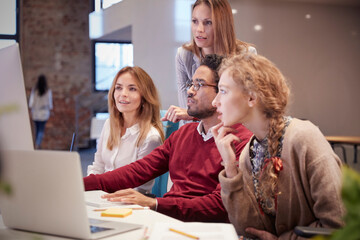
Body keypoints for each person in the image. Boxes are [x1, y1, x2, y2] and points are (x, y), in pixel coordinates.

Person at [84, 55, 253, 222]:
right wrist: (78, 184)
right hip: (167, 220)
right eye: (191, 84)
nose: (190, 90)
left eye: (199, 85)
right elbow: (137, 171)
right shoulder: (184, 134)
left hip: (202, 228)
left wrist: (156, 204)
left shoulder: (241, 142)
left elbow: (220, 205)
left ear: (222, 92)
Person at [211, 53, 344, 239]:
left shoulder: (304, 137)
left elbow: (340, 226)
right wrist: (230, 167)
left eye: (223, 91)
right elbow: (247, 228)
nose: (214, 101)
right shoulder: (248, 153)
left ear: (251, 98)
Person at [162, 0, 257, 126]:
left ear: (222, 24)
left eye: (208, 23)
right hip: (196, 131)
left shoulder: (246, 55)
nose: (199, 30)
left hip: (234, 131)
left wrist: (193, 115)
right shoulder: (184, 55)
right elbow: (187, 111)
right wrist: (191, 115)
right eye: (195, 21)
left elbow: (247, 109)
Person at [87, 66, 165, 195]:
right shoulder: (109, 124)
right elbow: (98, 167)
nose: (123, 93)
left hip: (128, 204)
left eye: (132, 89)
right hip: (102, 196)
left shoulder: (150, 137)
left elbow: (138, 188)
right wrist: (89, 189)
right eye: (118, 87)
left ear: (144, 97)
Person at [29, 74, 53, 149]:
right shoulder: (48, 91)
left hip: (35, 113)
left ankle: (37, 144)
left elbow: (31, 103)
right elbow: (49, 103)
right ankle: (38, 144)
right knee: (41, 130)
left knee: (37, 129)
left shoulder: (35, 91)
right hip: (44, 113)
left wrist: (31, 108)